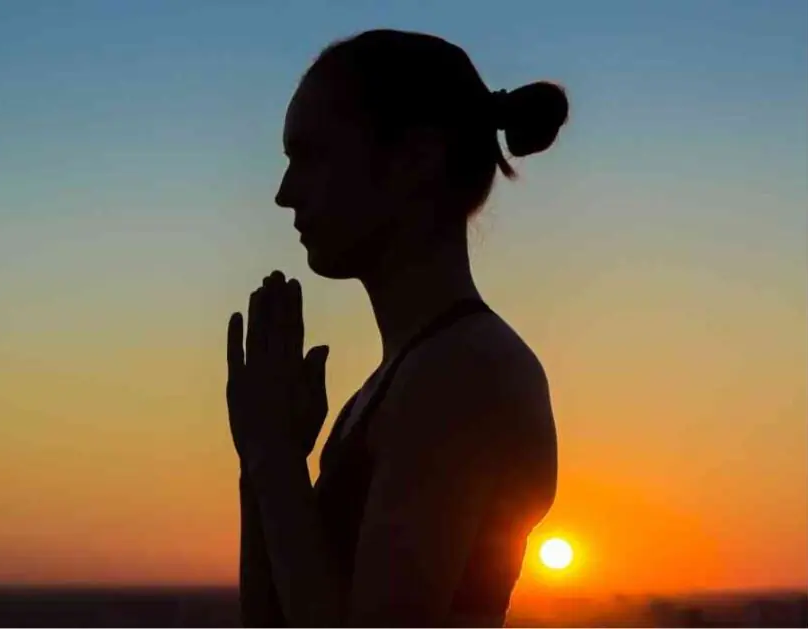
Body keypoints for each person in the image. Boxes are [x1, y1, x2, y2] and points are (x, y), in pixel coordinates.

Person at [225, 29, 566, 627]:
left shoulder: (464, 374)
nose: (284, 194)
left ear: (416, 160)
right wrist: (264, 463)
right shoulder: (403, 380)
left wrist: (274, 458)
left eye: (311, 156)